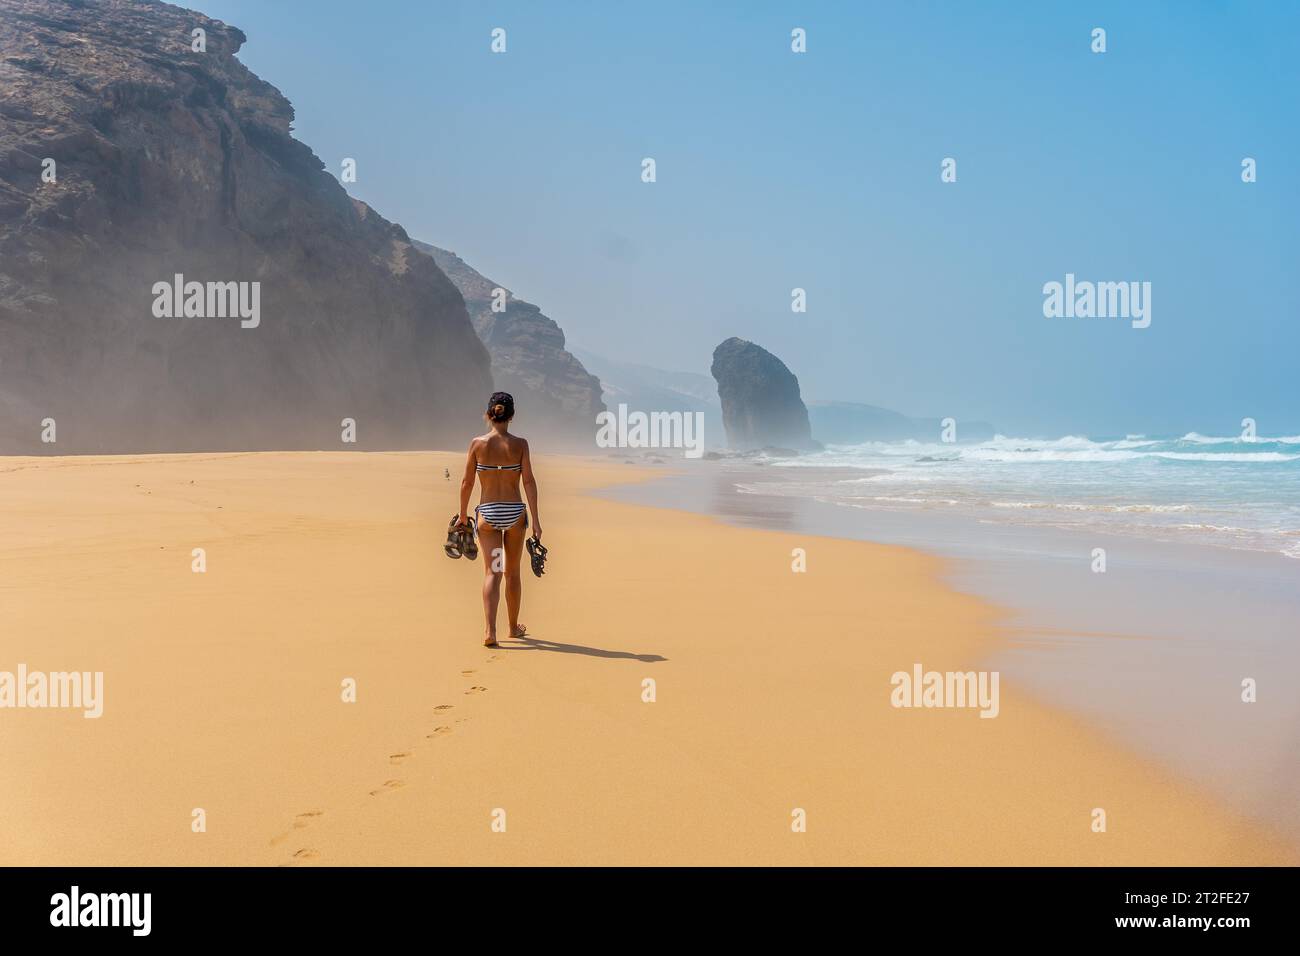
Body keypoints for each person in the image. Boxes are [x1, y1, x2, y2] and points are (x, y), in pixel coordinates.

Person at [457, 392, 541, 647]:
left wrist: (462, 515)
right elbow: (528, 481)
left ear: (489, 413)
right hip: (514, 514)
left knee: (493, 572)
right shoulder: (520, 445)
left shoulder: (478, 444)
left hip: (488, 515)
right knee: (512, 573)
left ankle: (490, 631)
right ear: (512, 416)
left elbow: (467, 482)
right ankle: (513, 628)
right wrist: (536, 520)